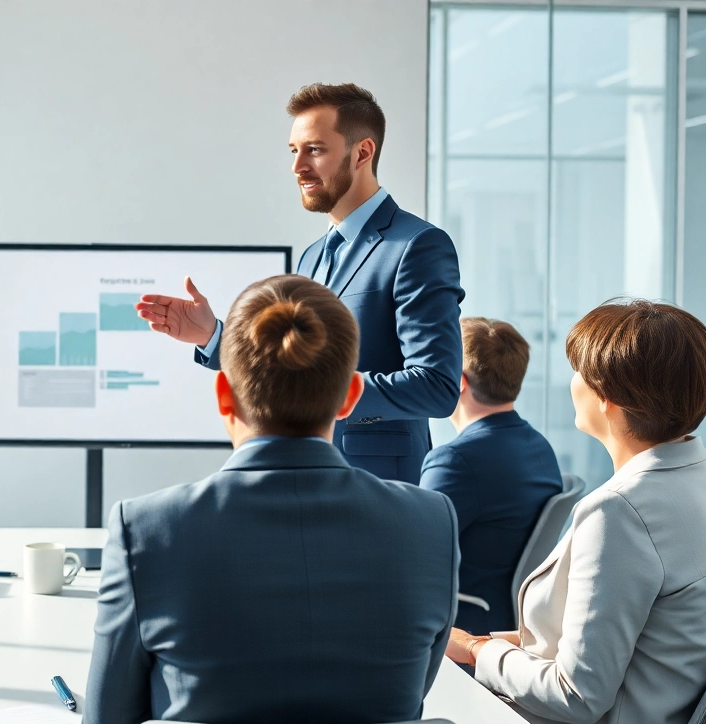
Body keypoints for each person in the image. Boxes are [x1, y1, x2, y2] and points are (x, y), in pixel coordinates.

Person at [83, 275, 459, 724]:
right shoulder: (432, 525)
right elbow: (407, 708)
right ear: (351, 396)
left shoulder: (145, 530)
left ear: (223, 394)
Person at [446, 300, 706, 724]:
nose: (573, 381)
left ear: (606, 395)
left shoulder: (621, 511)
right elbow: (635, 641)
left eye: (579, 371)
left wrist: (476, 650)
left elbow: (577, 695)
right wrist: (488, 642)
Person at [136, 82, 464, 483]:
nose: (298, 167)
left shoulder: (417, 246)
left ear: (362, 153)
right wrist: (212, 336)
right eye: (294, 151)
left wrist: (324, 391)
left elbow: (436, 386)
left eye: (315, 150)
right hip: (297, 478)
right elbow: (285, 369)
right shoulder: (311, 257)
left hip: (375, 487)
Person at [421, 318, 562, 636]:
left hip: (463, 632)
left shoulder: (456, 461)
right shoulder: (539, 446)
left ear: (458, 381)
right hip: (512, 622)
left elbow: (412, 553)